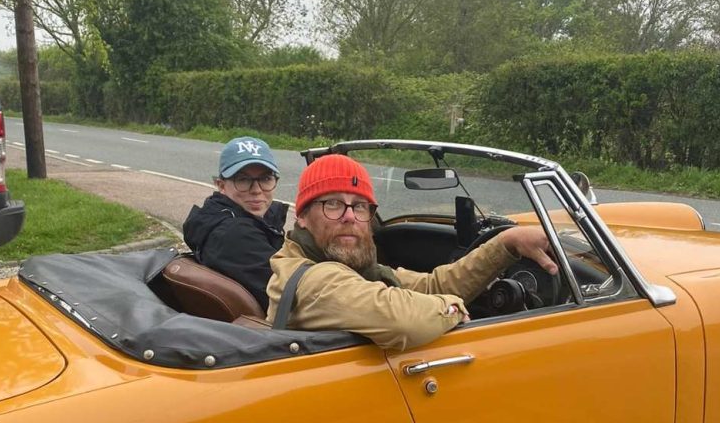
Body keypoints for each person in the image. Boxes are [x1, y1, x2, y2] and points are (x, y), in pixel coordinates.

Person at [265, 154, 558, 351]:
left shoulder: (350, 268)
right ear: (301, 217)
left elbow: (432, 286)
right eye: (332, 204)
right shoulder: (313, 280)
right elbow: (404, 319)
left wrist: (505, 243)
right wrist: (453, 308)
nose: (349, 216)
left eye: (359, 206)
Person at [183, 136, 288, 311]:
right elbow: (294, 293)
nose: (256, 190)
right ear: (221, 185)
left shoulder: (226, 217)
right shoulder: (233, 234)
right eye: (243, 180)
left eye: (265, 179)